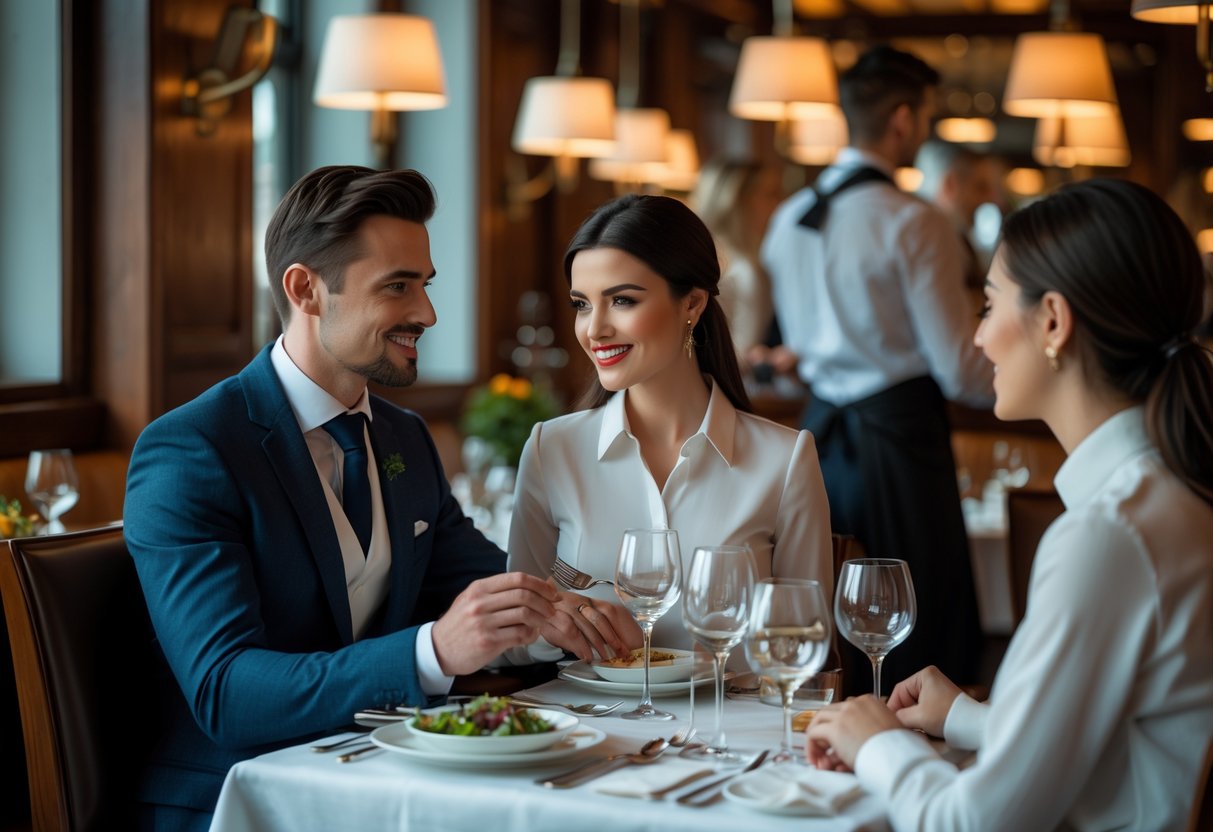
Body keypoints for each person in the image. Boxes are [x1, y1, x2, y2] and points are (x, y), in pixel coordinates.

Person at [123, 166, 632, 830]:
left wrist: (554, 615)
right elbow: (226, 693)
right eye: (397, 286)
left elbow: (479, 584)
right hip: (239, 800)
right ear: (305, 289)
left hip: (385, 781)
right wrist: (433, 652)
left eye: (423, 284)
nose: (426, 313)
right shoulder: (194, 450)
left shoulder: (403, 437)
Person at [806, 178, 1213, 832]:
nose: (979, 336)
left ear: (1051, 321)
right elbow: (1127, 730)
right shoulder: (1176, 492)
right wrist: (964, 718)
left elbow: (972, 824)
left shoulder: (1108, 534)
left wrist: (875, 741)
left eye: (988, 304)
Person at [507, 193, 832, 658]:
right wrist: (555, 631)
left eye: (621, 300)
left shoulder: (785, 460)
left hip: (730, 726)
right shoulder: (550, 449)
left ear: (692, 304)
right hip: (581, 726)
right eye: (582, 304)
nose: (594, 329)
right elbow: (516, 639)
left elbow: (806, 645)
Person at [761, 45, 993, 693]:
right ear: (902, 121)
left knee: (831, 602)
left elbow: (794, 353)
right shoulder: (914, 222)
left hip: (819, 440)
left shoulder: (788, 220)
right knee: (917, 617)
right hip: (900, 440)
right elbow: (957, 370)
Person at [690, 159, 782, 367]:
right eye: (771, 194)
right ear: (738, 201)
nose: (780, 203)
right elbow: (741, 356)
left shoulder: (704, 259)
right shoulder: (745, 272)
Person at [915, 139, 1003, 307]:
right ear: (950, 185)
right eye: (980, 187)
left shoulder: (956, 238)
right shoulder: (933, 242)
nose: (991, 198)